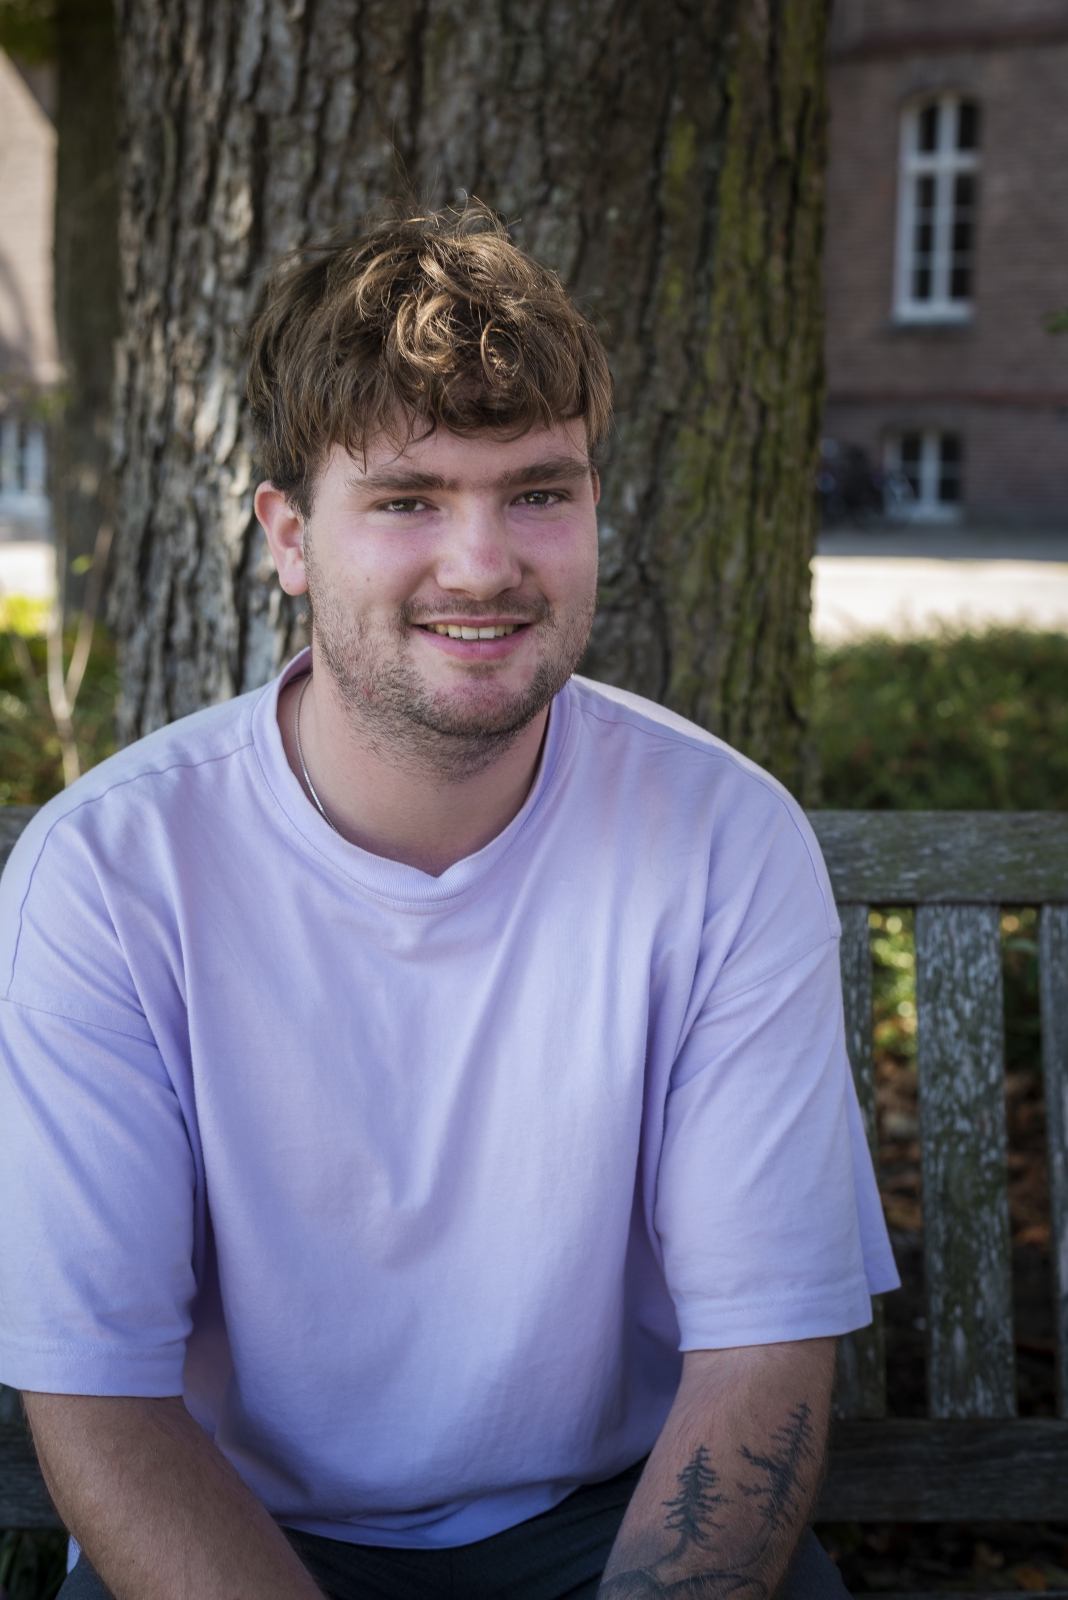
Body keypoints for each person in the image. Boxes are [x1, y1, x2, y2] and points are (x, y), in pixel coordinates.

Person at [0, 205, 898, 1600]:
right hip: (238, 1528)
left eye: (539, 492)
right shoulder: (112, 874)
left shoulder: (723, 841)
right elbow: (100, 1399)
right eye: (409, 500)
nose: (483, 564)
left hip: (611, 1518)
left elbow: (761, 1354)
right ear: (290, 536)